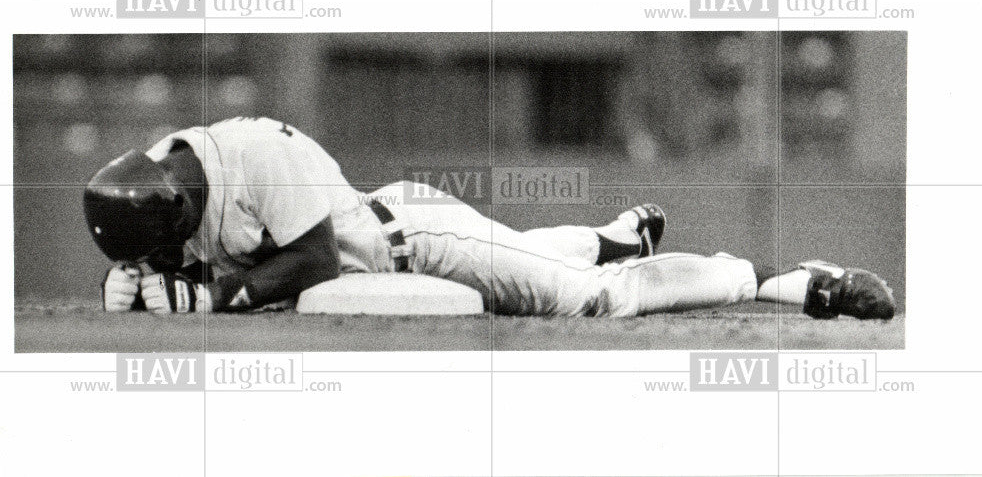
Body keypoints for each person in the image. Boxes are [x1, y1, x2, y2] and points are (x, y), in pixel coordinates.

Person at [86, 116, 894, 319]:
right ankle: (607, 234)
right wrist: (132, 281)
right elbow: (172, 252)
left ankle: (772, 278)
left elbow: (316, 265)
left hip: (415, 240)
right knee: (538, 257)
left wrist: (210, 295)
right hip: (386, 255)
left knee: (592, 298)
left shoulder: (256, 154)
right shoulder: (163, 171)